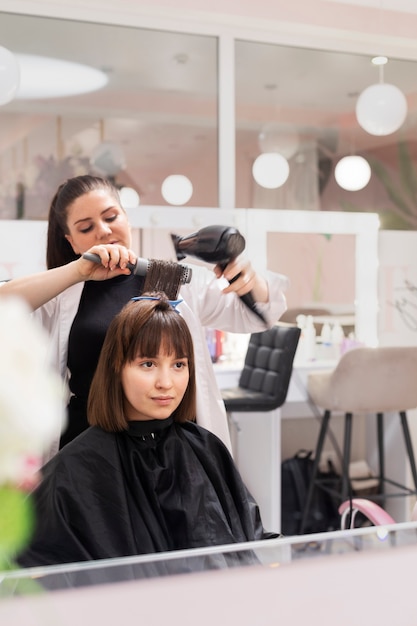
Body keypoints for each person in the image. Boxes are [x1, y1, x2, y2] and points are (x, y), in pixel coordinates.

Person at [0, 175, 288, 454]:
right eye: (86, 228)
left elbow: (257, 315)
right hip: (88, 447)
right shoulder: (62, 296)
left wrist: (253, 283)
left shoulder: (173, 281)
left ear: (127, 218)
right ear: (71, 241)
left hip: (166, 450)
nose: (102, 230)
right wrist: (77, 271)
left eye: (111, 217)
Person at [17, 294, 278, 568]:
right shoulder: (75, 469)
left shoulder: (207, 449)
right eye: (148, 364)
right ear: (116, 368)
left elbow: (252, 541)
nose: (166, 383)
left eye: (179, 364)